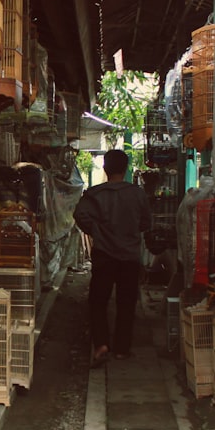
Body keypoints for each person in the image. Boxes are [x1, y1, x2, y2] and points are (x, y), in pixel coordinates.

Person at [73, 149, 152, 366]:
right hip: (129, 256)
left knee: (98, 301)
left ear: (105, 169)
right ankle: (121, 349)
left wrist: (97, 231)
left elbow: (80, 215)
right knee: (126, 303)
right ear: (125, 169)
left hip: (104, 255)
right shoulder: (137, 194)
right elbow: (146, 222)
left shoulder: (95, 194)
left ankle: (101, 345)